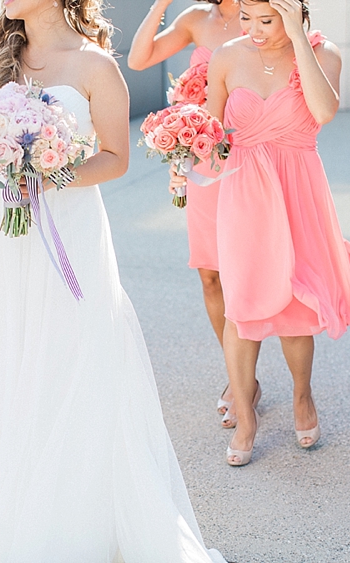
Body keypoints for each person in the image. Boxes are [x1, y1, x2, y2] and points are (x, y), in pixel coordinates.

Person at [0, 1, 226, 560]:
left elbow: (115, 157)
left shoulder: (95, 66)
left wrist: (50, 173)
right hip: (7, 235)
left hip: (70, 229)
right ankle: (36, 517)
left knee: (79, 358)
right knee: (23, 364)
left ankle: (90, 521)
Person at [198, 0, 350, 466]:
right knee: (242, 305)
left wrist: (299, 41)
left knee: (296, 304)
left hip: (298, 189)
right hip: (242, 193)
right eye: (247, 19)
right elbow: (211, 133)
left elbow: (323, 112)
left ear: (297, 14)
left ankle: (303, 396)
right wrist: (184, 157)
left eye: (268, 20)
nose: (255, 31)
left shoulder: (325, 54)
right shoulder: (226, 57)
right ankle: (246, 415)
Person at [129, 0, 244, 427]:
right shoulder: (197, 19)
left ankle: (256, 372)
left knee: (249, 273)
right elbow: (140, 59)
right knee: (211, 274)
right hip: (206, 160)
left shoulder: (263, 15)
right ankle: (240, 377)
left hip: (253, 156)